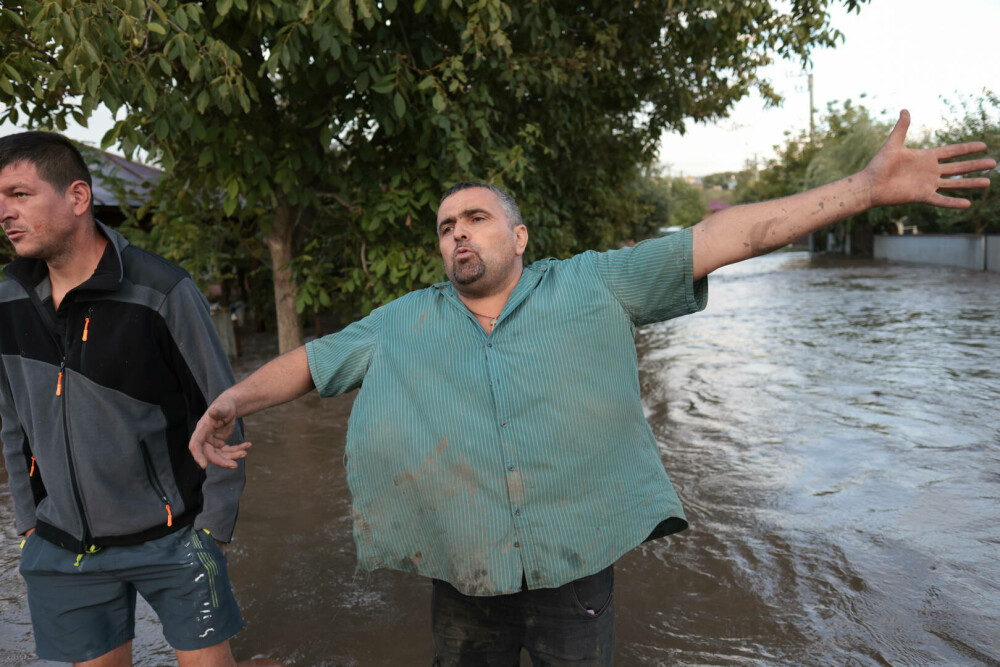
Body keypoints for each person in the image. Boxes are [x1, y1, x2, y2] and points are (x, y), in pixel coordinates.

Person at [188, 111, 995, 665]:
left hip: (574, 573)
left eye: (474, 217)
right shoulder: (405, 320)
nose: (458, 232)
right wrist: (229, 402)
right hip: (463, 576)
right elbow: (312, 362)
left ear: (519, 235)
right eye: (445, 226)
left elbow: (723, 234)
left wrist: (862, 187)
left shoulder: (594, 285)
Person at [0, 132, 280, 667]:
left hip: (172, 539)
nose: (4, 212)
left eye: (20, 194)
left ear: (78, 198)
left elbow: (223, 412)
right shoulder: (7, 302)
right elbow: (13, 421)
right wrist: (30, 521)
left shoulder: (161, 290)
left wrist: (212, 532)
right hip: (63, 547)